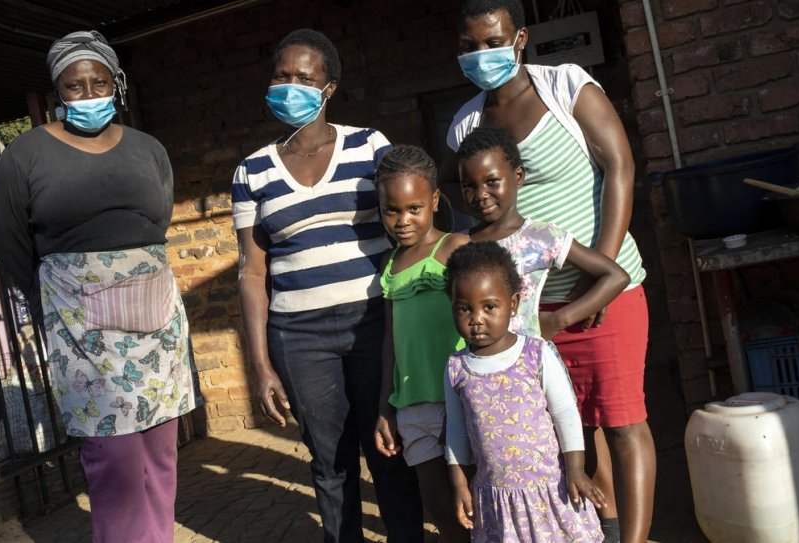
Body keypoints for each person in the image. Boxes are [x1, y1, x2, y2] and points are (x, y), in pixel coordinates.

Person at [444, 1, 656, 541]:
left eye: (492, 41)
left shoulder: (565, 86)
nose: (481, 54)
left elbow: (620, 166)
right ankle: (599, 529)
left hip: (605, 285)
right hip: (530, 312)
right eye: (469, 46)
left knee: (623, 421)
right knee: (575, 426)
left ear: (519, 39)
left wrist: (597, 278)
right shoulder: (466, 123)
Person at [0, 30, 199, 543]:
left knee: (160, 449)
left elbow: (157, 220)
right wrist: (58, 297)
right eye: (74, 87)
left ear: (116, 83)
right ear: (57, 92)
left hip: (154, 321)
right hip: (83, 330)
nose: (88, 95)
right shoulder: (26, 155)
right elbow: (10, 244)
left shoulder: (147, 149)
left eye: (99, 83)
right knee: (115, 460)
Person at [231, 28, 423, 543]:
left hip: (374, 321)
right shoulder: (251, 171)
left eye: (304, 77)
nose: (290, 86)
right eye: (282, 75)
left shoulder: (369, 145)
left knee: (389, 449)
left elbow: (409, 221)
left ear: (329, 87)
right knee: (329, 461)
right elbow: (251, 272)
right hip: (299, 335)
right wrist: (260, 364)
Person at [443, 241, 606, 542]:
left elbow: (565, 413)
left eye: (489, 306)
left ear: (514, 304)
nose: (476, 318)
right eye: (464, 308)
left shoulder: (536, 354)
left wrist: (576, 470)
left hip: (551, 490)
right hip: (496, 501)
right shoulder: (456, 368)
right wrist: (460, 485)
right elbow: (455, 431)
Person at [371, 146, 470, 543]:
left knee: (474, 492)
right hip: (413, 402)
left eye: (414, 208)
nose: (402, 220)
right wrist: (384, 408)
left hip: (462, 397)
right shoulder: (389, 265)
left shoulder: (455, 247)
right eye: (391, 210)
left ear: (433, 200)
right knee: (437, 502)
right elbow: (390, 341)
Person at [457, 126, 629, 340]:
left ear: (518, 176)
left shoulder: (540, 237)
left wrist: (559, 320)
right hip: (476, 368)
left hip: (529, 364)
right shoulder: (459, 244)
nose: (481, 194)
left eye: (492, 182)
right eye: (469, 186)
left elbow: (616, 276)